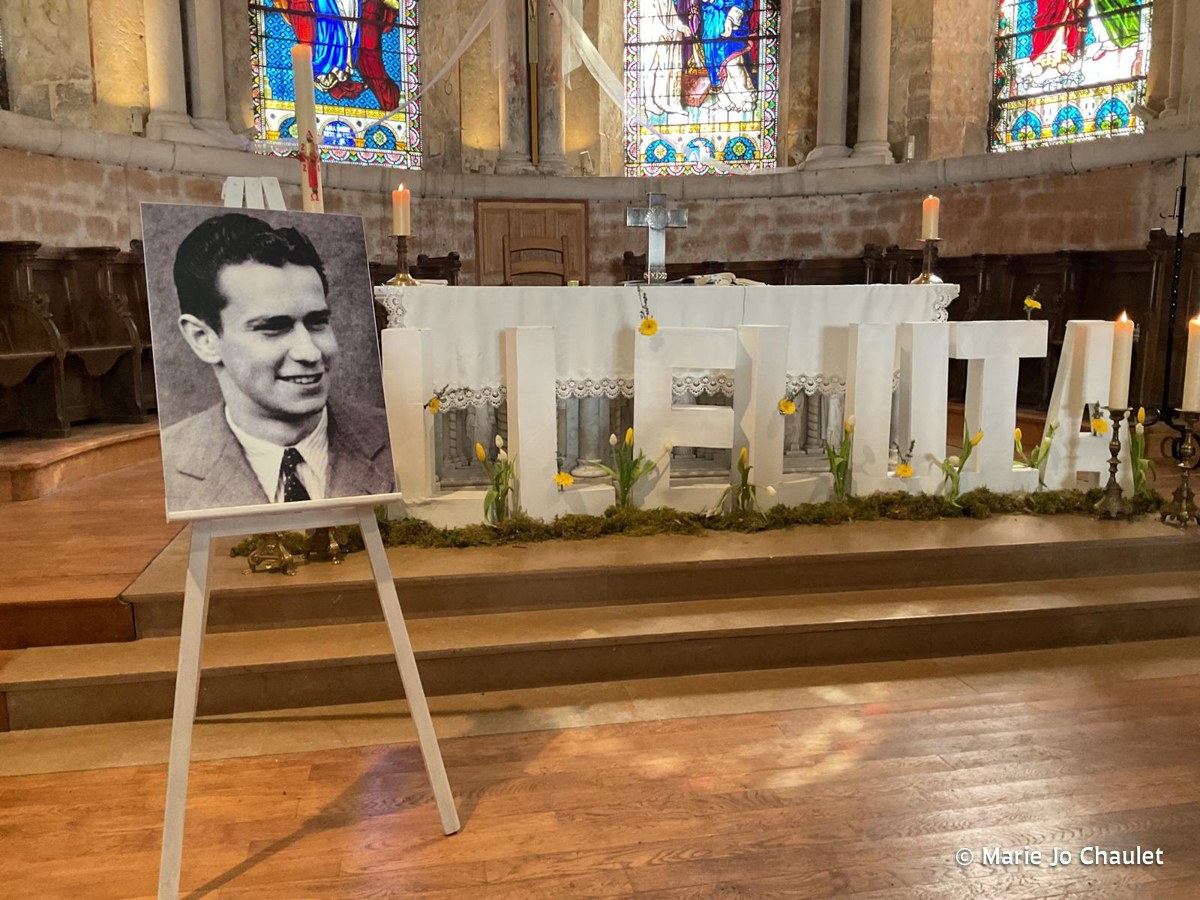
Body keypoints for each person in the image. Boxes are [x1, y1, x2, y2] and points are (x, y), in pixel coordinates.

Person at [161, 212, 394, 512]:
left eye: (317, 322)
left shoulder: (392, 439)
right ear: (203, 338)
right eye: (274, 327)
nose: (310, 352)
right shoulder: (171, 462)